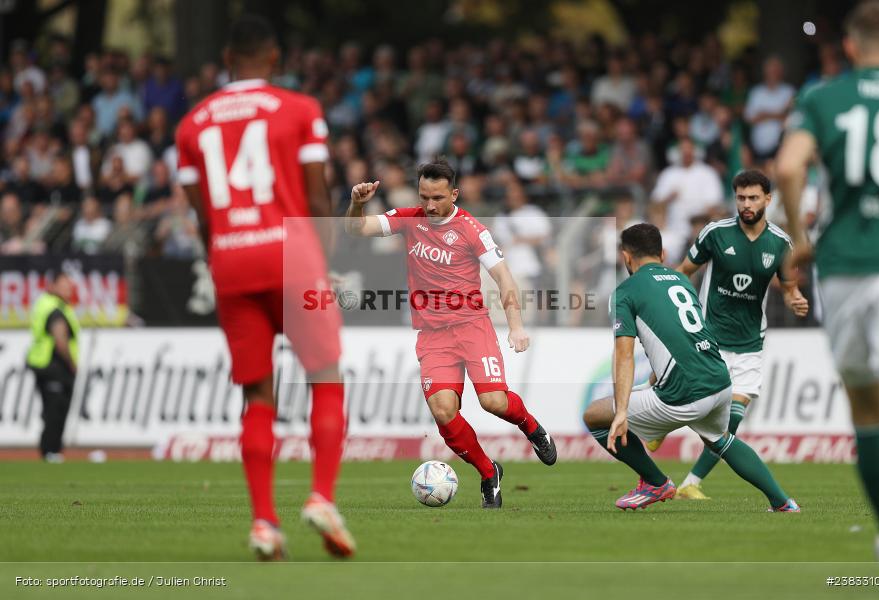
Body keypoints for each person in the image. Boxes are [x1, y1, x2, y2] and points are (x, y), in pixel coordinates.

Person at [175, 15, 353, 560]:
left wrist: (222, 257)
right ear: (273, 58)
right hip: (293, 254)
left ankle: (263, 523)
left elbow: (202, 215)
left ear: (227, 58)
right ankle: (321, 496)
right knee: (325, 376)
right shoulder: (299, 109)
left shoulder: (191, 124)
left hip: (229, 260)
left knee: (256, 393)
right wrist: (319, 263)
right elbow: (318, 200)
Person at [345, 159, 557, 509]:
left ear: (454, 194)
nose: (429, 205)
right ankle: (489, 474)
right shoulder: (410, 218)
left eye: (438, 197)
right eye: (425, 196)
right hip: (433, 335)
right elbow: (356, 230)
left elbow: (505, 278)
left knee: (494, 403)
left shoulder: (472, 229)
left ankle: (533, 428)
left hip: (472, 327)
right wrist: (357, 203)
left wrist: (516, 326)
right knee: (444, 411)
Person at [775, 0, 879, 589]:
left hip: (844, 267)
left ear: (849, 47)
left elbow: (790, 166)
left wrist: (801, 238)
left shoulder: (823, 98)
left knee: (867, 413)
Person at [582, 223, 798, 512]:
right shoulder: (679, 280)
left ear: (626, 257)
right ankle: (783, 502)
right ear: (663, 253)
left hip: (685, 392)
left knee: (595, 415)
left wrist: (621, 411)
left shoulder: (625, 292)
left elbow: (624, 354)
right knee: (720, 440)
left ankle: (655, 482)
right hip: (720, 380)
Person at [663, 170, 809, 499]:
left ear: (768, 200)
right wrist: (667, 303)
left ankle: (691, 483)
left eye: (753, 197)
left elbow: (788, 288)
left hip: (749, 345)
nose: (746, 204)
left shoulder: (780, 243)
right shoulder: (716, 233)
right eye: (741, 197)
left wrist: (794, 298)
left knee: (730, 423)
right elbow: (684, 272)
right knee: (693, 408)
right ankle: (663, 422)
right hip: (708, 339)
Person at [26, 272, 79, 462]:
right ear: (53, 286)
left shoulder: (46, 304)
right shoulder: (54, 309)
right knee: (56, 409)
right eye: (64, 285)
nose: (69, 289)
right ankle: (50, 450)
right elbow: (60, 340)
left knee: (52, 408)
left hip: (44, 364)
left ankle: (51, 450)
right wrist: (72, 364)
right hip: (53, 365)